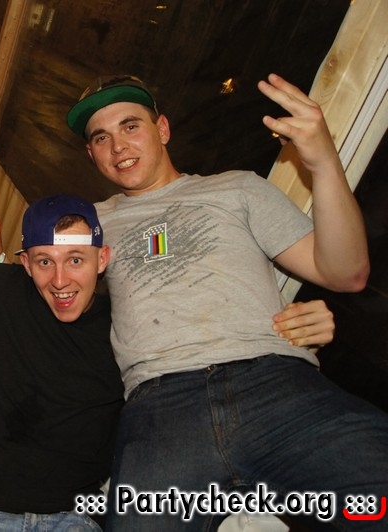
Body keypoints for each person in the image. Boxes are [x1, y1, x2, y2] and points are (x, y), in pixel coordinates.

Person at [0, 186, 338, 531]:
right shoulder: (4, 291)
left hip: (77, 520)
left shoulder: (134, 325)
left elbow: (216, 336)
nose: (60, 280)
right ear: (25, 264)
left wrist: (300, 328)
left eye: (75, 260)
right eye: (44, 262)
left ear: (103, 259)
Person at [63, 73, 388, 530]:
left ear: (162, 129)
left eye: (131, 126)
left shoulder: (238, 188)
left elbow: (346, 272)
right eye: (101, 137)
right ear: (91, 153)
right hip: (161, 410)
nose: (118, 146)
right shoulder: (91, 224)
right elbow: (42, 281)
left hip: (275, 384)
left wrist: (323, 163)